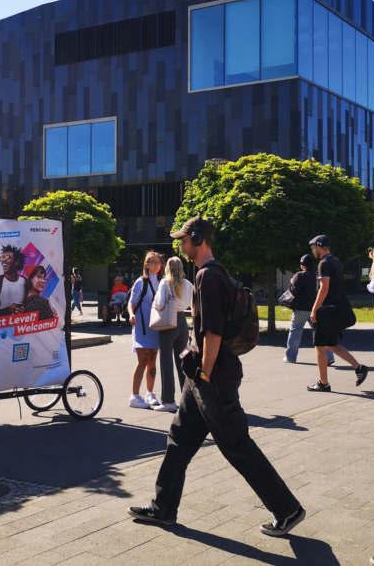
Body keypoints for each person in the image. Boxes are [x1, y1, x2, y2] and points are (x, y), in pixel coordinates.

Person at [128, 216, 306, 537]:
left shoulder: (208, 276)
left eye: (184, 239)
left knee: (237, 445)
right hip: (200, 380)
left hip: (213, 380)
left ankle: (287, 509)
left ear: (197, 238)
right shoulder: (210, 273)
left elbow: (212, 332)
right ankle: (162, 508)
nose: (180, 245)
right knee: (178, 441)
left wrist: (205, 375)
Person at [307, 235, 369, 392]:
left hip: (326, 311)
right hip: (337, 309)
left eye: (313, 248)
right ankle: (359, 368)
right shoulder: (336, 261)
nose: (313, 251)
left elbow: (324, 288)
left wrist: (314, 310)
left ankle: (323, 383)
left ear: (319, 247)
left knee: (319, 345)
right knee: (331, 344)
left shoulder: (324, 263)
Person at [152, 256, 193, 412]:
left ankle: (168, 400)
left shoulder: (165, 283)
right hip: (182, 321)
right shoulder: (188, 284)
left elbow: (158, 303)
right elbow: (191, 303)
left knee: (166, 362)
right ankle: (187, 400)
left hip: (169, 322)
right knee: (182, 363)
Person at [283, 254, 334, 365]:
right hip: (316, 308)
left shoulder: (299, 275)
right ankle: (329, 356)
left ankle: (290, 356)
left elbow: (295, 291)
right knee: (321, 333)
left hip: (301, 308)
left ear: (302, 265)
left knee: (295, 331)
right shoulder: (318, 276)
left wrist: (291, 283)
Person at [128, 252, 163, 409]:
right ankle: (134, 396)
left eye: (159, 262)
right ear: (146, 265)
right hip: (141, 327)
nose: (157, 264)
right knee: (142, 361)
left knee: (152, 361)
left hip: (155, 327)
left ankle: (149, 393)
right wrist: (131, 314)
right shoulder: (141, 282)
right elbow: (132, 302)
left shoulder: (161, 283)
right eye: (153, 262)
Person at [0, 244, 26, 318]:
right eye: (2, 258)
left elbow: (33, 308)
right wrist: (7, 311)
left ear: (16, 262)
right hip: (1, 328)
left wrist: (25, 311)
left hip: (22, 327)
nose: (3, 260)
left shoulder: (26, 283)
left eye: (7, 257)